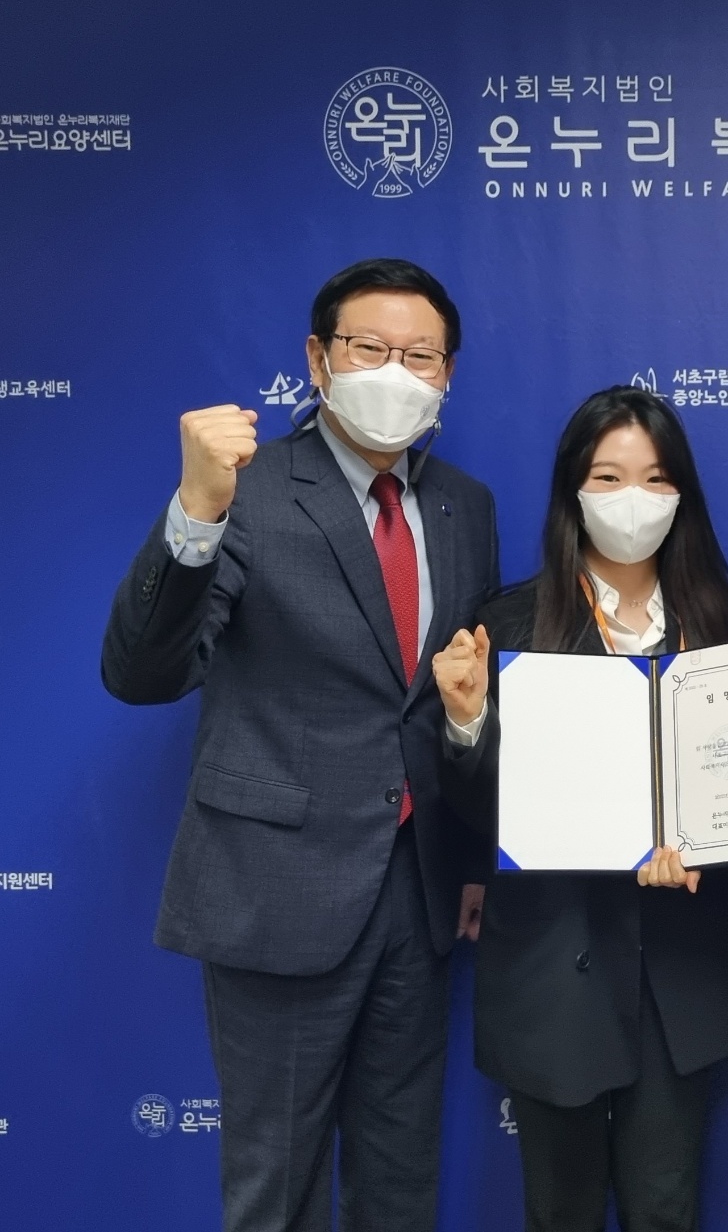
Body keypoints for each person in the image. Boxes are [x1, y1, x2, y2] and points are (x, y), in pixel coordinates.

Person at [101, 258, 499, 1232]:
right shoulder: (249, 489)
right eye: (370, 348)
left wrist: (468, 856)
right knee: (276, 1188)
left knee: (399, 1181)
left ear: (448, 374)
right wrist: (196, 510)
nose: (396, 372)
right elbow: (143, 672)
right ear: (319, 359)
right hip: (276, 889)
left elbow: (445, 700)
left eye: (421, 355)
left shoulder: (466, 505)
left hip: (418, 889)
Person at [433, 386, 728, 1232]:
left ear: (682, 492)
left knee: (665, 1209)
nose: (632, 499)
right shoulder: (508, 621)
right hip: (555, 962)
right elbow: (479, 811)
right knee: (560, 1211)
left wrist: (709, 849)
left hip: (680, 974)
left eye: (654, 478)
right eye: (608, 477)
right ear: (573, 491)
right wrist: (467, 721)